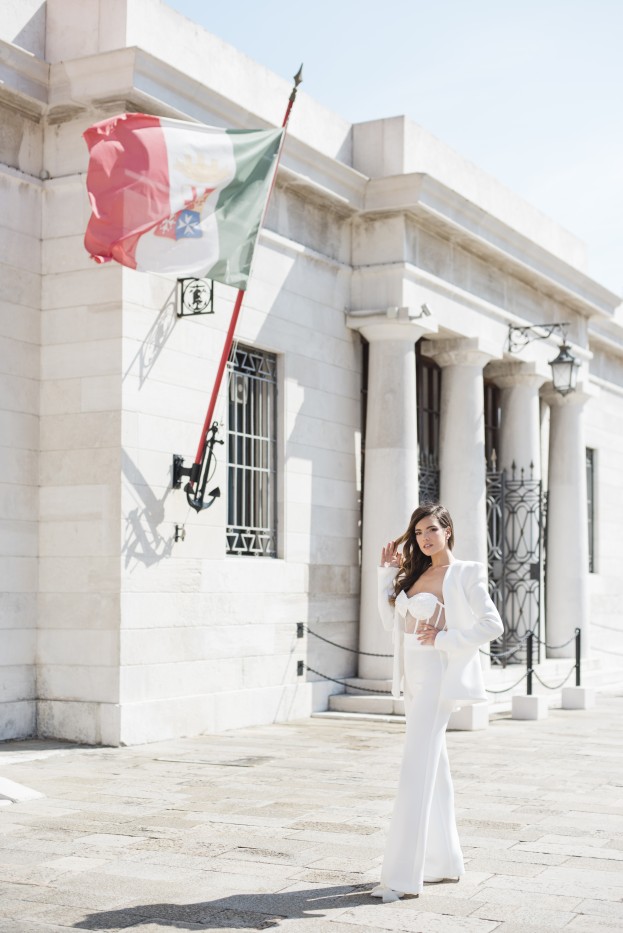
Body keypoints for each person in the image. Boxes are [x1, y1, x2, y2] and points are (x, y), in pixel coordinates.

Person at [371, 503, 504, 902]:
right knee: (434, 764)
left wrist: (445, 639)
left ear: (447, 530)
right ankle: (445, 862)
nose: (425, 538)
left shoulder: (465, 573)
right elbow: (390, 622)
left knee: (416, 766)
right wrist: (386, 575)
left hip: (436, 676)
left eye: (431, 529)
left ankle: (402, 876)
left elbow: (492, 624)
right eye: (418, 532)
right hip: (412, 677)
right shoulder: (416, 574)